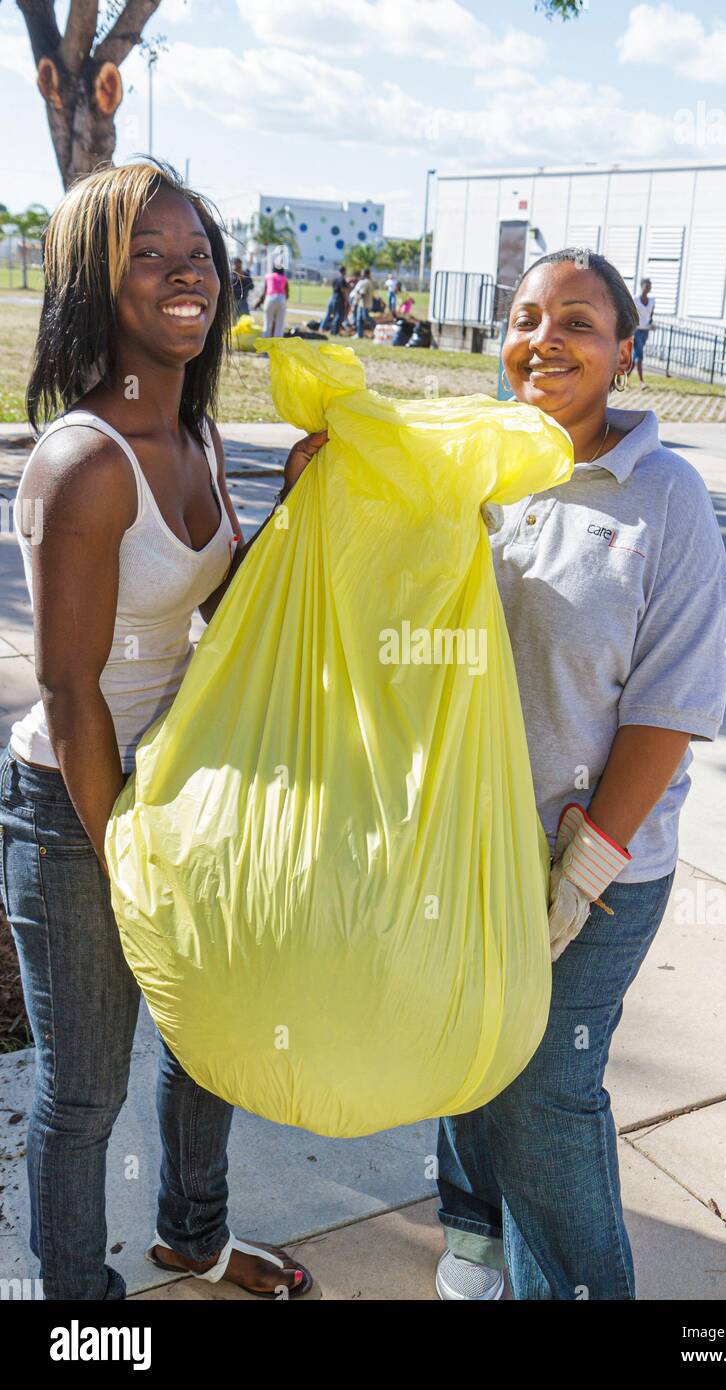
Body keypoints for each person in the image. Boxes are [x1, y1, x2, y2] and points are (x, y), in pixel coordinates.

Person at [0, 159, 325, 1300]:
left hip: (182, 788)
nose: (185, 273)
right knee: (84, 1094)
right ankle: (77, 1309)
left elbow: (221, 619)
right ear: (95, 280)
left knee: (208, 1041)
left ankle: (194, 1235)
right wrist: (123, 849)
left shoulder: (193, 436)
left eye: (199, 252)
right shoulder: (83, 461)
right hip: (78, 801)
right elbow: (72, 688)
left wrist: (297, 504)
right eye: (149, 252)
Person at [434, 248, 726, 1301]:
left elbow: (671, 706)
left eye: (576, 321)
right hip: (465, 845)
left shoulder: (664, 498)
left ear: (622, 352)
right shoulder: (476, 466)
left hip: (596, 865)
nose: (543, 339)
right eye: (524, 318)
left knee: (546, 1088)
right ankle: (471, 1228)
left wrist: (584, 864)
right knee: (464, 1035)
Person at [630, 276, 655, 388]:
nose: (648, 288)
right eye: (646, 286)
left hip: (646, 331)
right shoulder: (635, 299)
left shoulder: (652, 301)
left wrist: (652, 323)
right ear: (642, 286)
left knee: (635, 356)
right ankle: (641, 382)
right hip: (636, 330)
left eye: (650, 286)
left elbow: (650, 316)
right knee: (640, 355)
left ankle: (623, 377)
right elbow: (630, 313)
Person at [254, 261, 289, 338]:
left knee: (267, 324)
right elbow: (287, 294)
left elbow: (264, 293)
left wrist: (258, 303)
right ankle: (277, 345)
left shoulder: (268, 276)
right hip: (281, 298)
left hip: (270, 298)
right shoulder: (284, 278)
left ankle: (265, 343)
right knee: (280, 324)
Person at [321, 263, 348, 336]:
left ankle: (333, 330)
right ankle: (335, 331)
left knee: (336, 315)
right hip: (339, 298)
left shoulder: (335, 279)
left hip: (333, 297)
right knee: (339, 315)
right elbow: (343, 290)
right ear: (344, 271)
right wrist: (346, 298)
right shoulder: (342, 280)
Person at [351, 269, 374, 338]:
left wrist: (354, 303)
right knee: (359, 319)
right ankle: (359, 334)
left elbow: (362, 294)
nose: (361, 274)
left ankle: (376, 327)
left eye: (362, 273)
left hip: (364, 304)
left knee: (366, 318)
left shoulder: (365, 282)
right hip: (363, 304)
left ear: (365, 274)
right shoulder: (369, 281)